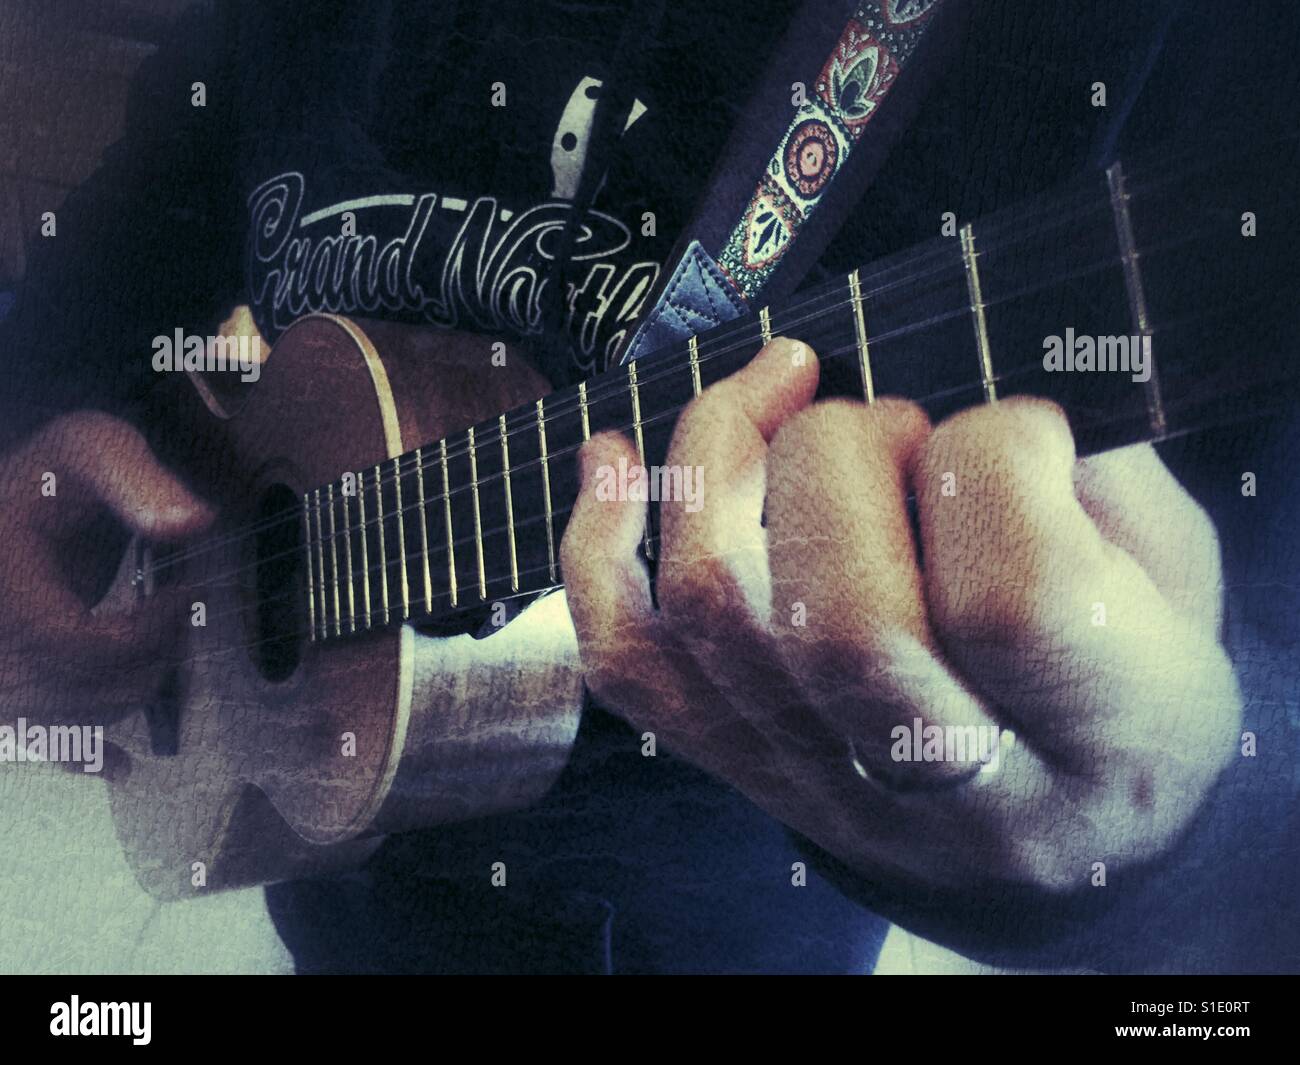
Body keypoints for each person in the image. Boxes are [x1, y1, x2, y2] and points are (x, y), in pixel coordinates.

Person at [1, 0, 1296, 973]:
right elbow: (180, 153)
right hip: (318, 826)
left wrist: (1158, 837)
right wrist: (32, 402)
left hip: (697, 917)